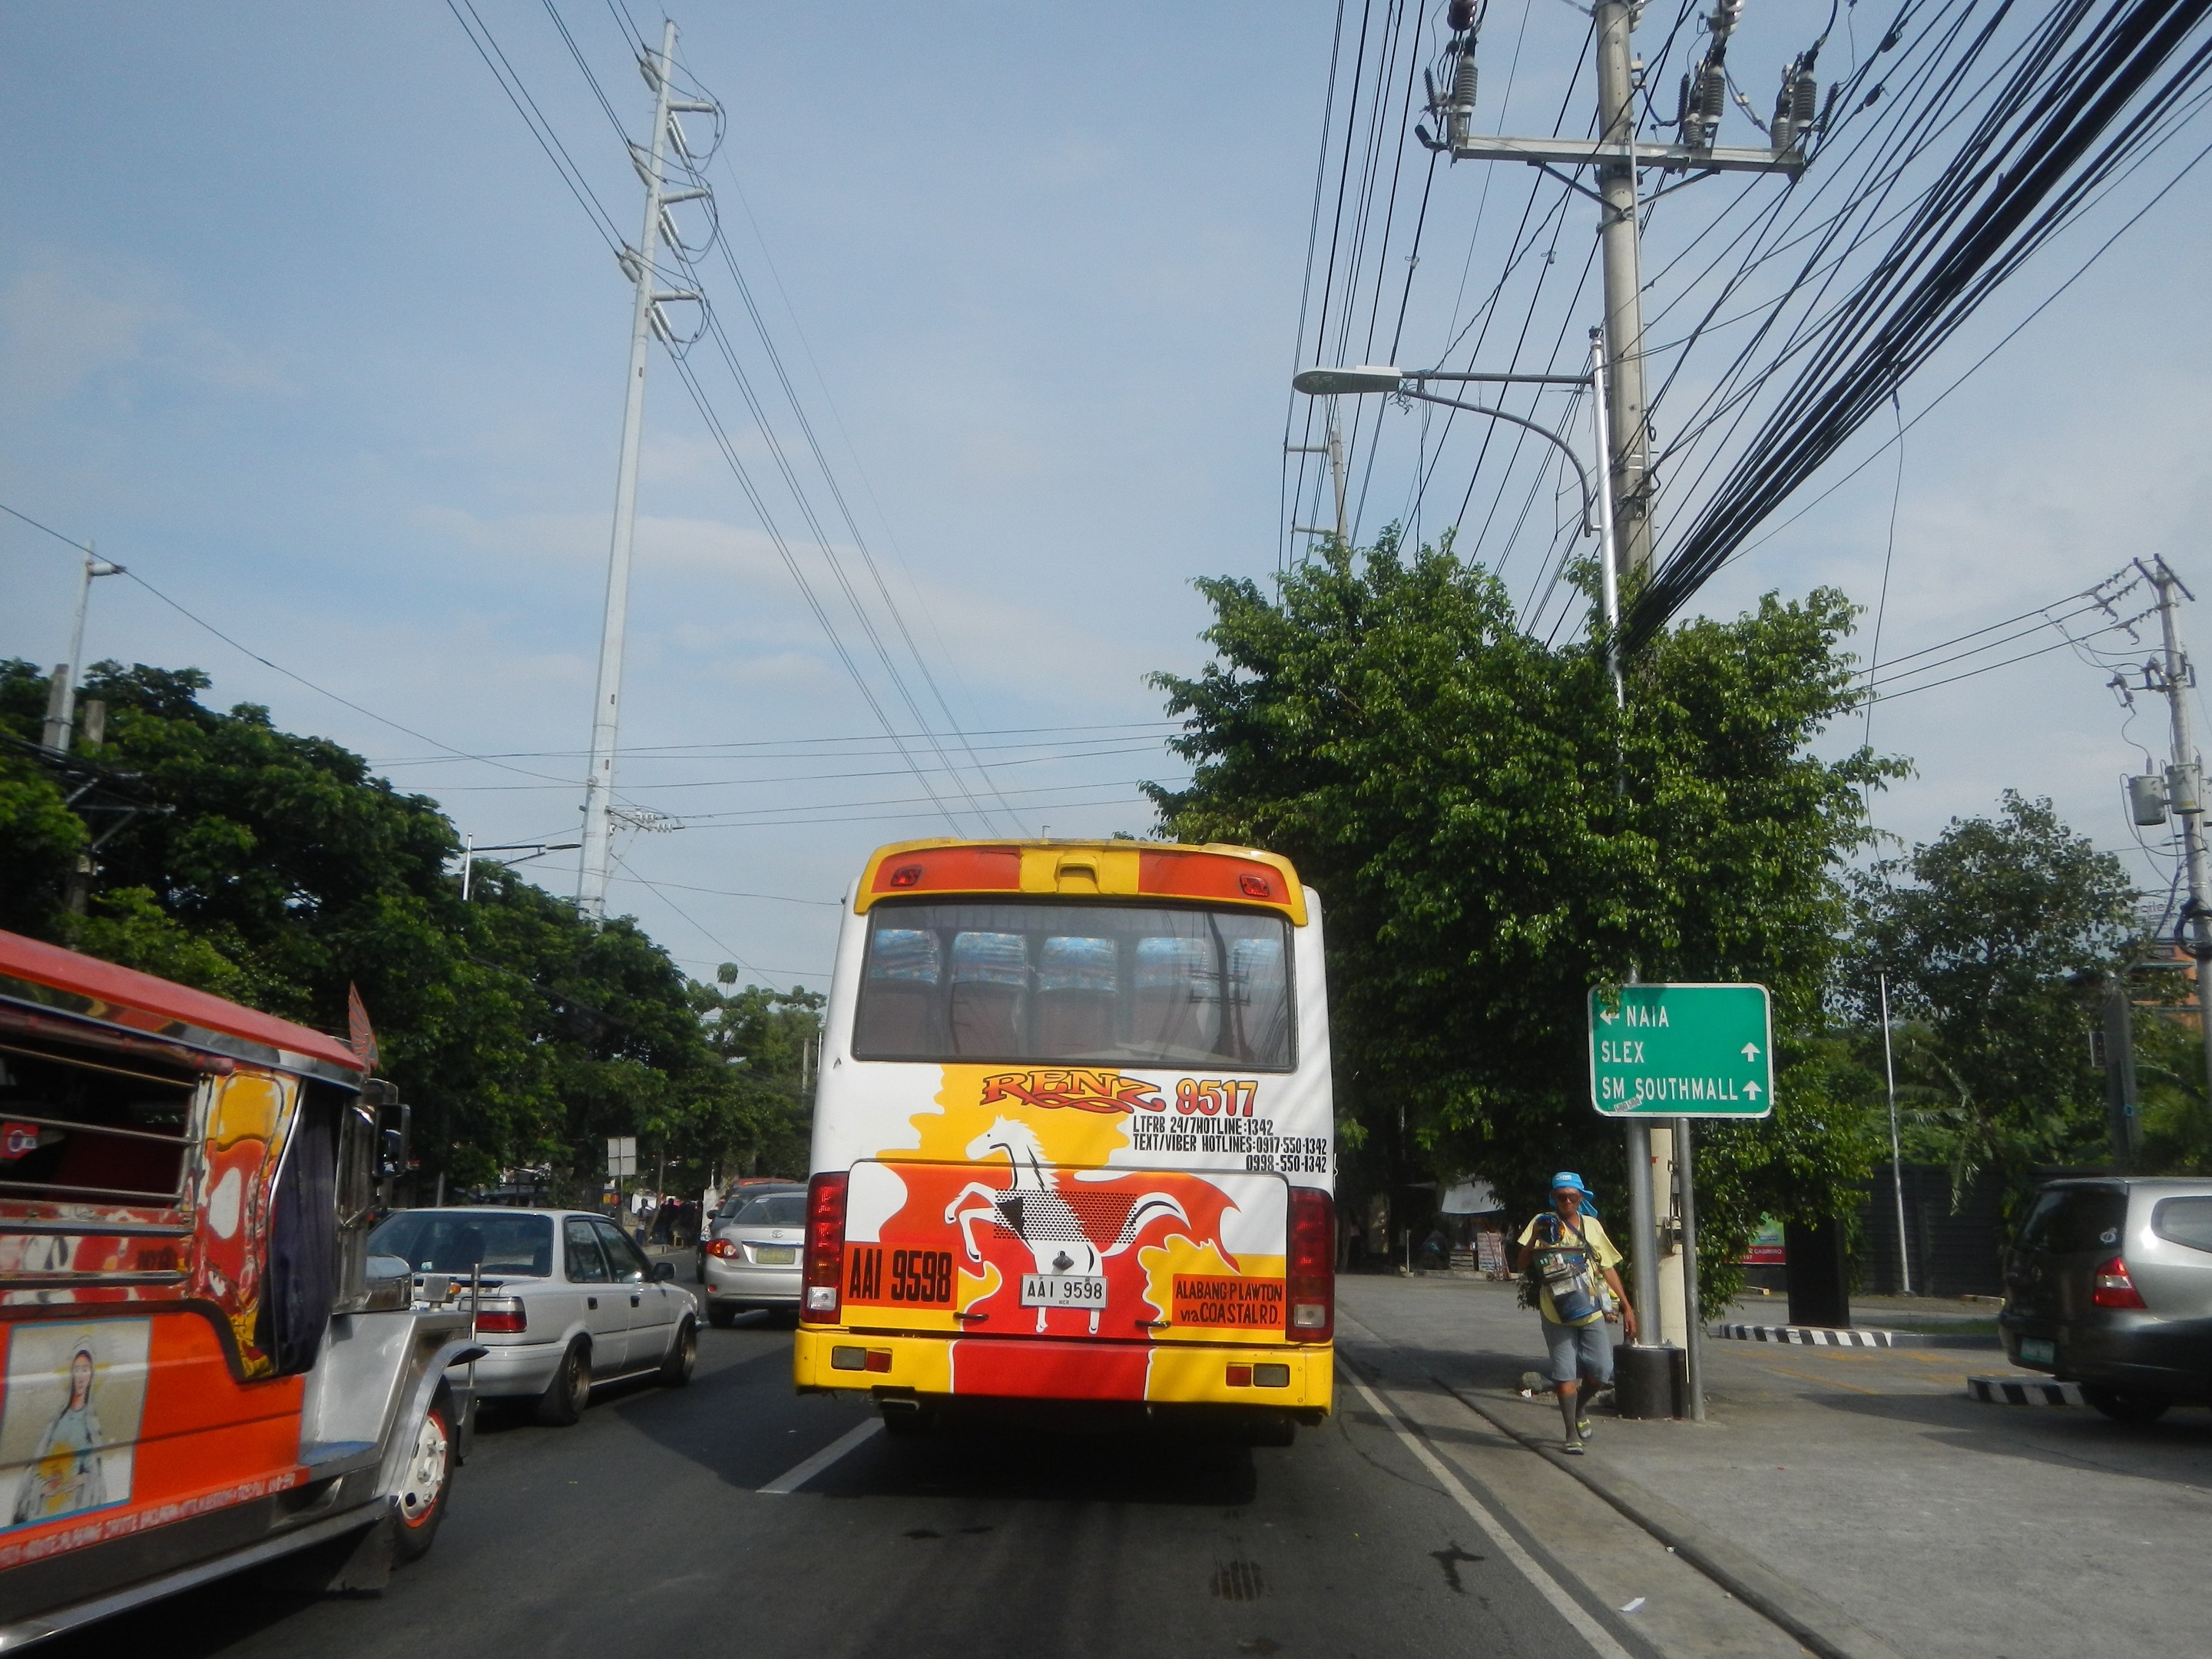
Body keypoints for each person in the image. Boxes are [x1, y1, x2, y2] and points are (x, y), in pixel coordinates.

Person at [1515, 1172, 1637, 1455]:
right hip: (1555, 1311)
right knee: (1564, 1373)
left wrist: (1628, 1307)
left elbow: (1607, 1267)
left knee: (1601, 1370)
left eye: (1573, 1196)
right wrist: (1535, 1236)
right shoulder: (1542, 1222)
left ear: (1581, 1197)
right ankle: (1571, 1433)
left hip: (1590, 1308)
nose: (1567, 1201)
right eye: (1561, 1197)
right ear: (1553, 1198)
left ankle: (1580, 1409)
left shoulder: (1591, 1226)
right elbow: (1521, 1264)